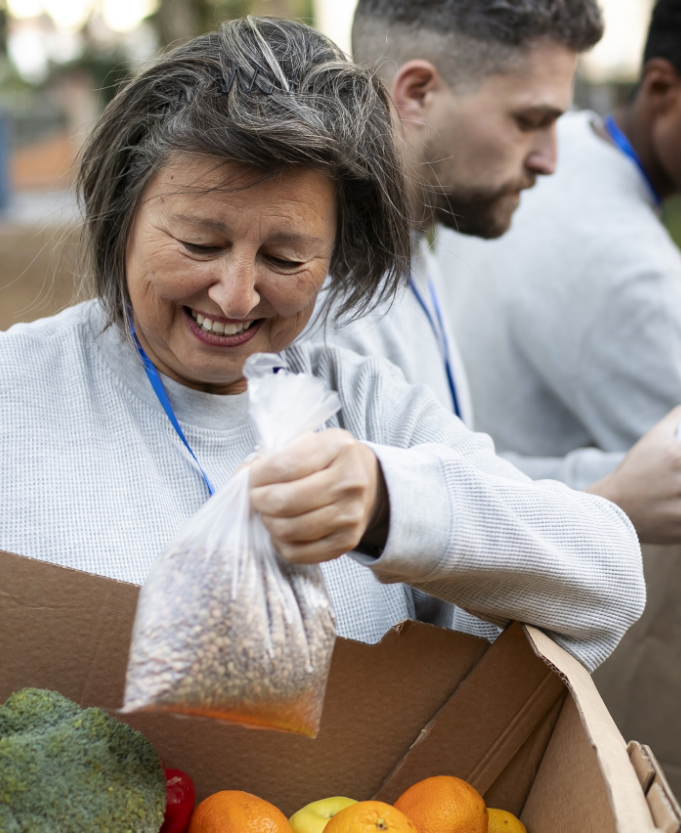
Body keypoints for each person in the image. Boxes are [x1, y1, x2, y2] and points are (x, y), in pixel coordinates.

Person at [0, 17, 643, 672]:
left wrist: (386, 504)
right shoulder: (17, 393)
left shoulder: (362, 409)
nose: (235, 294)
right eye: (199, 244)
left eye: (285, 258)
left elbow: (608, 578)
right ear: (121, 217)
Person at [320, 0, 681, 546]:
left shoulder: (412, 242)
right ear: (417, 93)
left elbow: (449, 480)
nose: (548, 160)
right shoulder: (322, 294)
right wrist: (607, 505)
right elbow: (365, 564)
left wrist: (612, 488)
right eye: (528, 121)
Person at [433, 0, 681, 793]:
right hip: (525, 620)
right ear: (662, 87)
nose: (536, 148)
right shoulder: (626, 270)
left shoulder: (568, 148)